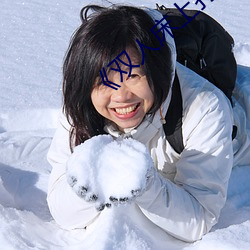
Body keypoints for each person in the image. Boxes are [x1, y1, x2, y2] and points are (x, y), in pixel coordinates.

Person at [46, 4, 250, 243]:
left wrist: (146, 184)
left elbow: (200, 218)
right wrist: (88, 188)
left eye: (133, 76)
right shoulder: (80, 106)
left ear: (157, 71)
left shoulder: (204, 106)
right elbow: (61, 207)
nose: (121, 96)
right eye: (103, 81)